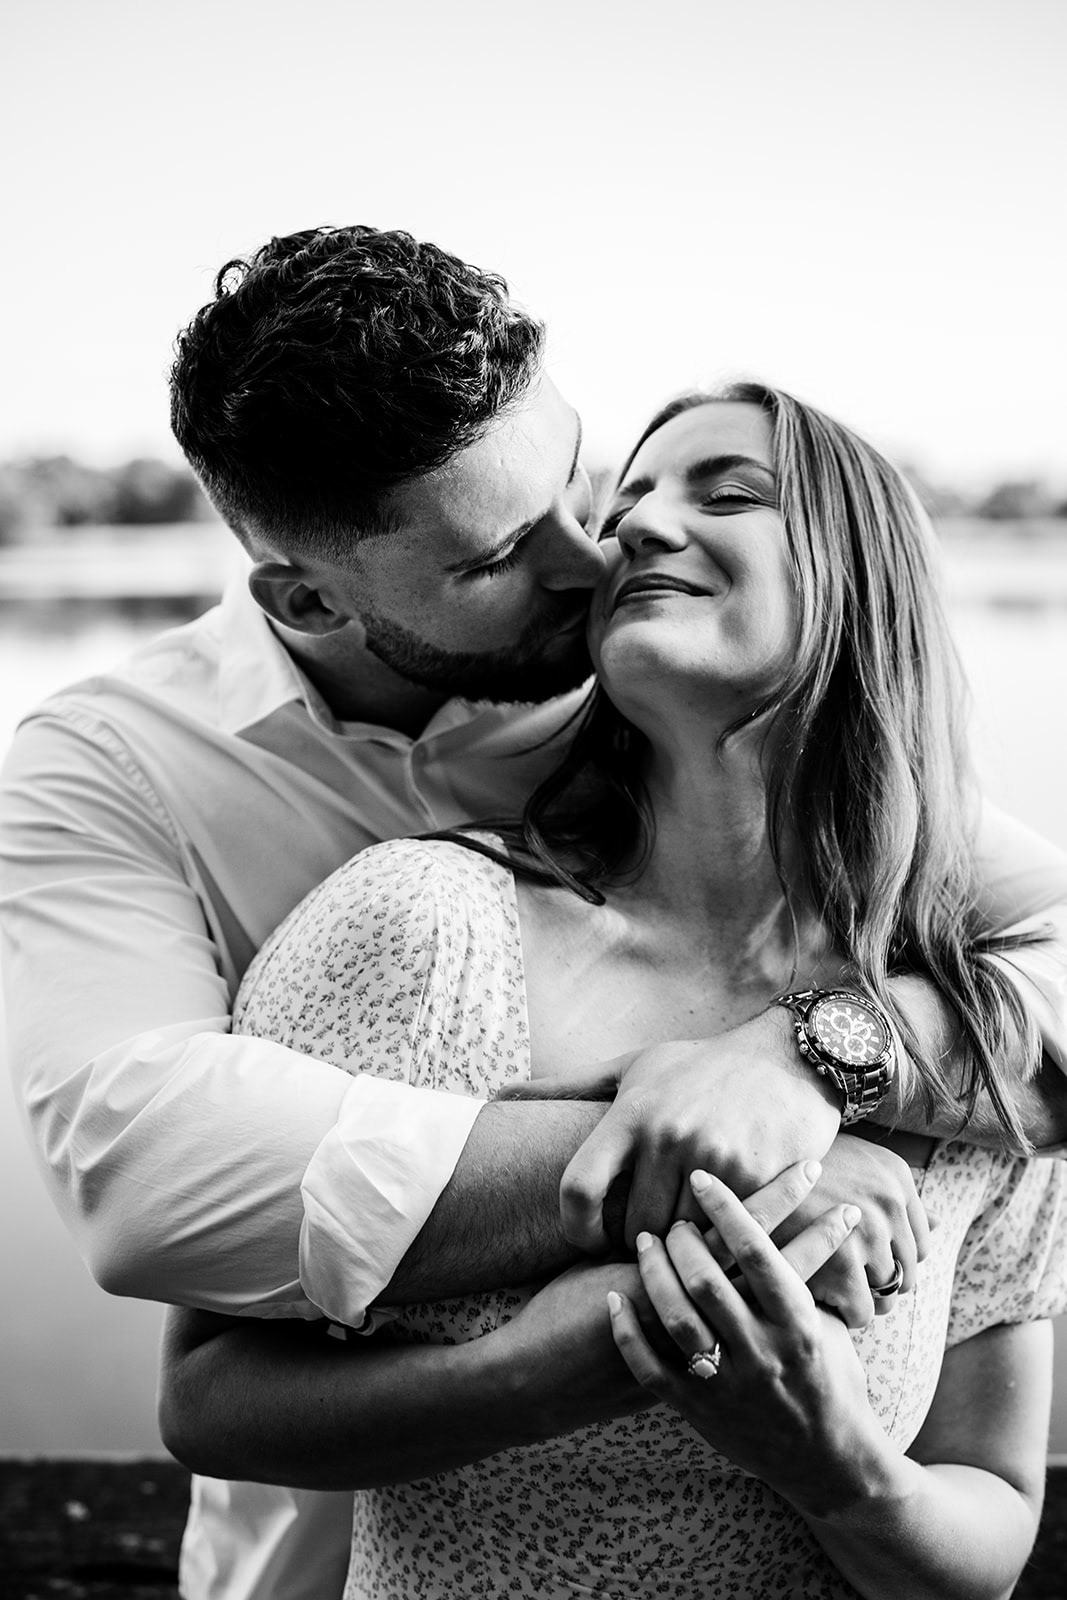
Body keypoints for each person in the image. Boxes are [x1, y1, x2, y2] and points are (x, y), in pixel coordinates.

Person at [2, 227, 1065, 1600]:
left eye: (581, 477)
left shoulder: (672, 690)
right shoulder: (109, 772)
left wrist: (804, 1061)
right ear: (310, 598)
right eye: (505, 550)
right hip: (317, 1550)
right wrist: (734, 1164)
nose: (598, 549)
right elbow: (145, 1170)